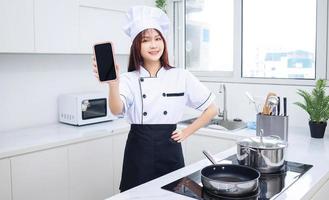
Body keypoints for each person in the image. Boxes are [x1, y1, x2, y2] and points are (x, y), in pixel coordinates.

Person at [92, 5, 218, 192]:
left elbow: (212, 109)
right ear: (136, 45)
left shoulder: (181, 75)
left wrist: (187, 132)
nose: (154, 45)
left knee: (173, 193)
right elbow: (117, 109)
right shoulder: (128, 79)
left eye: (158, 39)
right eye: (146, 40)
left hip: (170, 149)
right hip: (138, 151)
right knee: (136, 195)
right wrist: (113, 85)